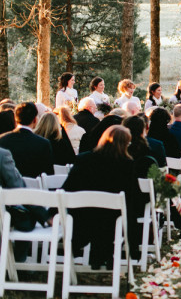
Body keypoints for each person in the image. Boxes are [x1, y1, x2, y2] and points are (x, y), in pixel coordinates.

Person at [61, 125, 145, 268]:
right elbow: (134, 197)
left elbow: (68, 188)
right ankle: (104, 255)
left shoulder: (84, 159)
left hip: (83, 218)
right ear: (125, 144)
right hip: (113, 222)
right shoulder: (127, 165)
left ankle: (99, 255)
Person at [0, 102, 53, 177]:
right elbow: (49, 175)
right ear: (35, 120)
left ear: (15, 119)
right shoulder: (43, 144)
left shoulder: (2, 140)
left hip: (8, 187)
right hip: (36, 187)